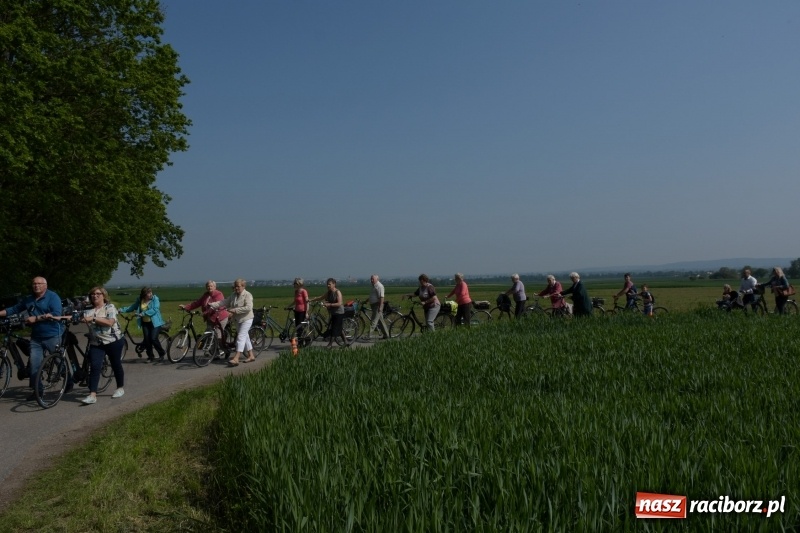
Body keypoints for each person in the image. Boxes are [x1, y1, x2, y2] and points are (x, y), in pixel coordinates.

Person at [0, 277, 63, 400]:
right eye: (34, 283)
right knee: (34, 364)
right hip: (36, 337)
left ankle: (68, 380)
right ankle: (38, 391)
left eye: (39, 283)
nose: (36, 286)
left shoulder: (53, 297)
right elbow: (13, 309)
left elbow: (57, 314)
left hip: (52, 335)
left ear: (45, 285)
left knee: (59, 360)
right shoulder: (28, 299)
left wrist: (37, 318)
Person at [78, 286, 126, 404]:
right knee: (95, 366)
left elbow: (110, 322)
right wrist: (56, 317)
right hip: (97, 343)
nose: (95, 296)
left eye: (98, 294)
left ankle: (120, 388)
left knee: (116, 364)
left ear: (103, 296)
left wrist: (93, 319)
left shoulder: (110, 307)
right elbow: (76, 317)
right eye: (93, 294)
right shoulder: (88, 310)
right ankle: (92, 394)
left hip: (113, 341)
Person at [210, 278, 255, 365]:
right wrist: (212, 305)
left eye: (238, 286)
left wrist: (235, 310)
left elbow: (248, 307)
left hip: (247, 319)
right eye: (235, 286)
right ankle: (251, 355)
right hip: (238, 319)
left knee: (240, 337)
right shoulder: (233, 295)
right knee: (245, 337)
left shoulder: (247, 295)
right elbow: (224, 302)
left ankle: (236, 358)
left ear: (243, 286)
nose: (236, 288)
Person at [119, 287, 167, 362]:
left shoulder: (155, 299)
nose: (150, 294)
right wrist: (122, 310)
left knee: (153, 338)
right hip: (145, 323)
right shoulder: (140, 300)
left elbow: (155, 309)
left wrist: (143, 313)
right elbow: (133, 307)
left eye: (151, 292)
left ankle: (161, 353)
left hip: (155, 323)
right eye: (148, 293)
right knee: (147, 340)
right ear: (144, 294)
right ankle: (151, 357)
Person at [310, 278, 347, 348]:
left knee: (334, 328)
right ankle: (346, 342)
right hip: (333, 313)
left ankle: (330, 344)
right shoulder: (329, 292)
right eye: (327, 284)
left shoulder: (337, 292)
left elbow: (339, 303)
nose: (328, 285)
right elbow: (321, 297)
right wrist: (311, 300)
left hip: (339, 313)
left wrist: (329, 304)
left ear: (334, 284)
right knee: (338, 328)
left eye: (329, 284)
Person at [366, 274, 389, 339]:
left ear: (377, 279)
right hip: (374, 305)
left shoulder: (379, 286)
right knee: (381, 321)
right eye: (371, 279)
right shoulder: (374, 286)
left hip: (377, 305)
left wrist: (380, 307)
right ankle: (386, 335)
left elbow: (381, 297)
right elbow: (372, 296)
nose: (371, 280)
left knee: (373, 321)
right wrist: (366, 301)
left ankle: (369, 335)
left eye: (373, 279)